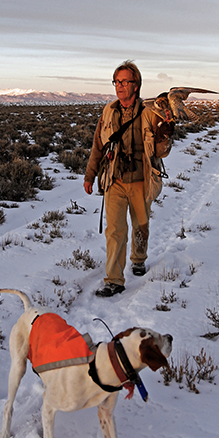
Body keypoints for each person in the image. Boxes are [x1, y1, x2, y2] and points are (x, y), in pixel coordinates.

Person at [84, 61, 174, 297]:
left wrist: (165, 136)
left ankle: (139, 258)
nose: (120, 86)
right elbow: (98, 145)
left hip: (141, 179)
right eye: (117, 81)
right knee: (114, 230)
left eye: (126, 81)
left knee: (140, 226)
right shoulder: (109, 111)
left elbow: (160, 151)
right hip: (114, 178)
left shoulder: (149, 113)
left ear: (137, 85)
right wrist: (90, 175)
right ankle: (114, 280)